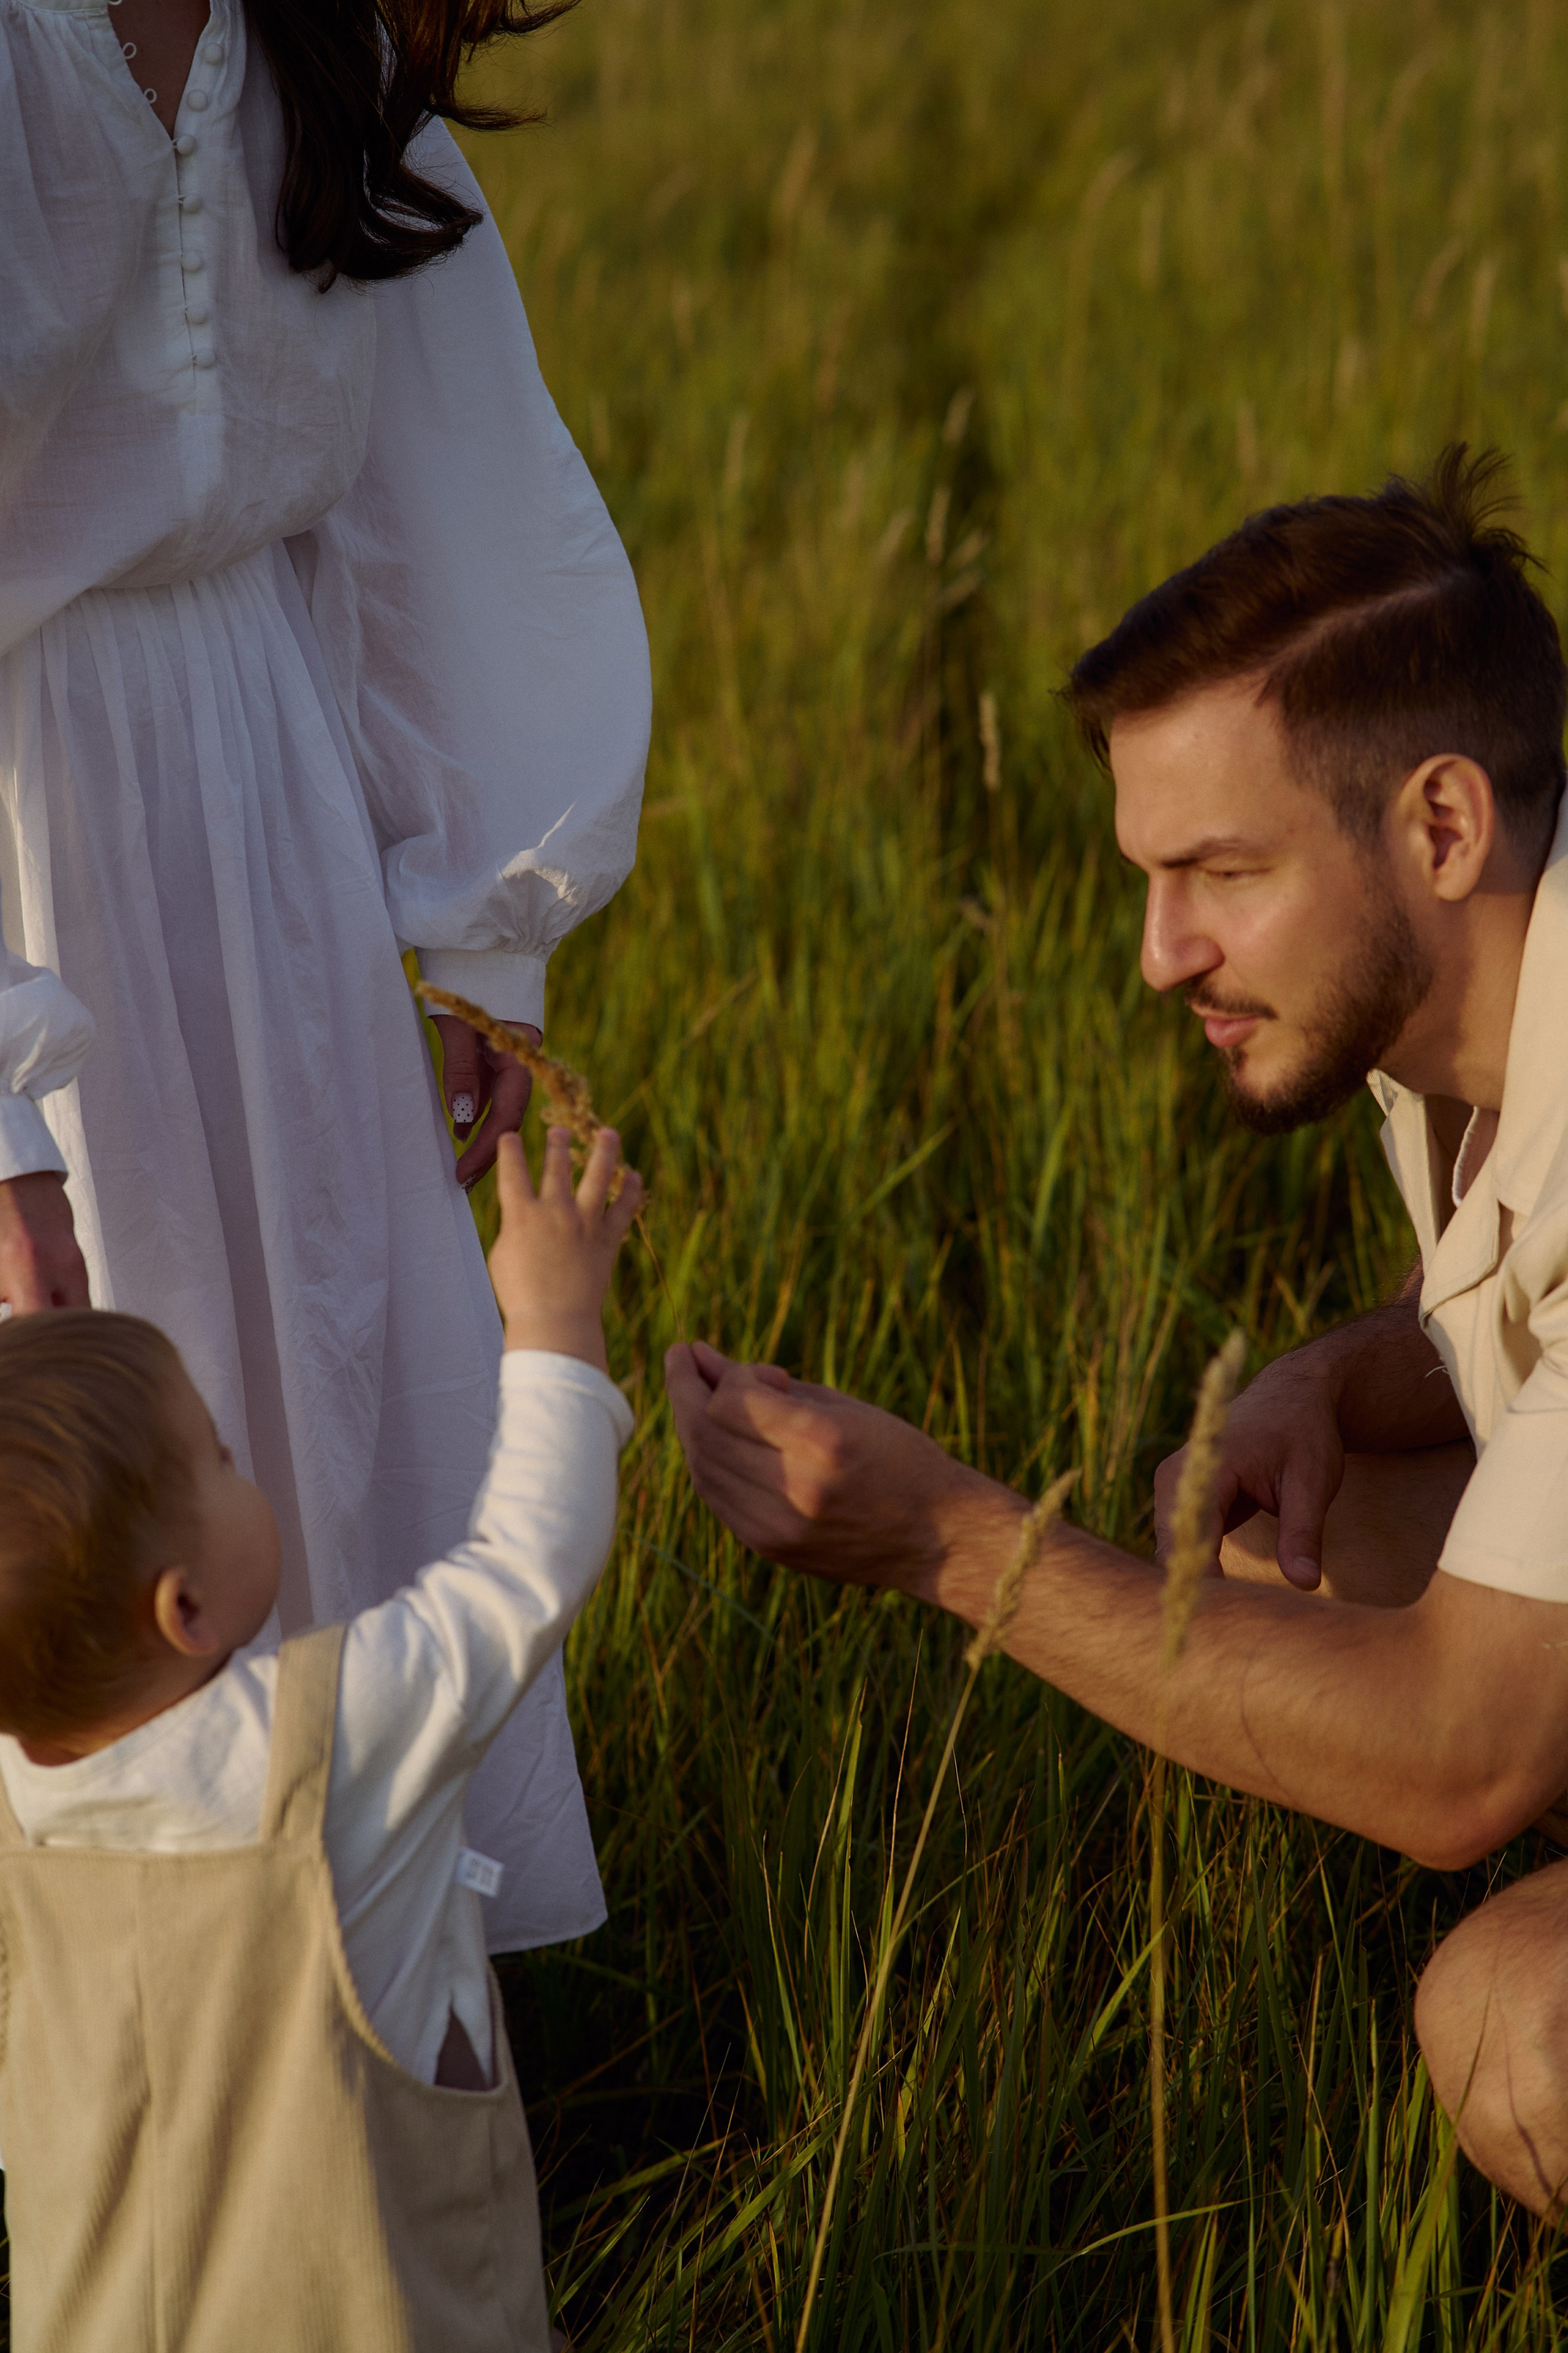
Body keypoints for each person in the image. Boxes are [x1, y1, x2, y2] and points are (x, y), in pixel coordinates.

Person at [668, 447, 1568, 2219]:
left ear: (1440, 825)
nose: (1162, 954)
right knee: (1287, 1548)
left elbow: (1456, 1760)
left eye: (1221, 872)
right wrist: (1325, 1376)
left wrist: (948, 1539)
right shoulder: (1455, 1001)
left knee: (1516, 2027)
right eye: (1149, 876)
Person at [0, 0, 650, 1949]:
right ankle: (88, 2021)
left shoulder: (323, 41)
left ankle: (333, 1994)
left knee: (299, 1396)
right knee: (61, 1460)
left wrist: (478, 935)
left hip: (263, 806)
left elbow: (447, 488)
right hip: (22, 828)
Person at [0, 1120, 641, 2351]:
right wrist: (555, 1327)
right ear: (183, 1609)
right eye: (221, 1460)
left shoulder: (24, 1801)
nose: (243, 1468)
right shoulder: (330, 1735)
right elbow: (525, 1570)